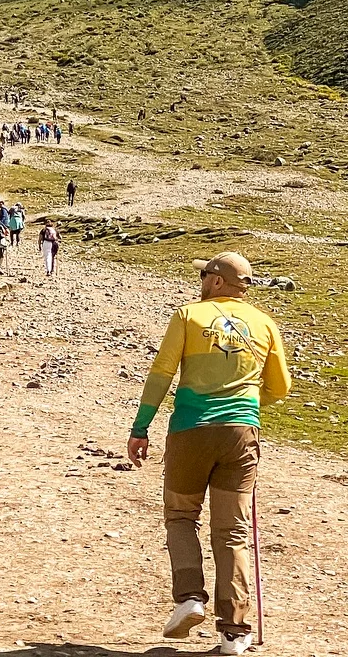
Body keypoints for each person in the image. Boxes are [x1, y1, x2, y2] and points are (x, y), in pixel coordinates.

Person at [127, 252, 291, 656]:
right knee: (233, 531)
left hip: (190, 431)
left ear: (217, 282)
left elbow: (162, 372)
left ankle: (189, 599)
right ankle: (234, 632)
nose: (201, 279)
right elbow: (281, 387)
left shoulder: (189, 316)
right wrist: (243, 405)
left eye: (205, 274)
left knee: (181, 516)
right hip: (241, 435)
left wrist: (140, 426)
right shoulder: (265, 323)